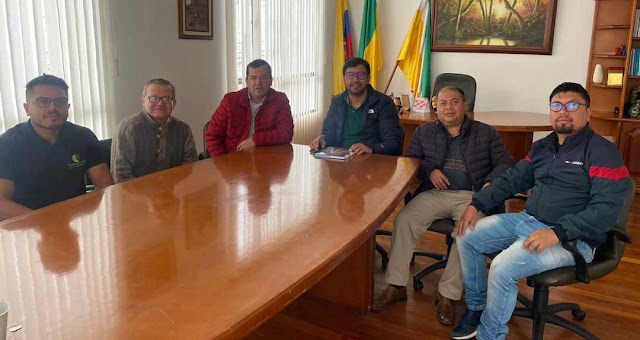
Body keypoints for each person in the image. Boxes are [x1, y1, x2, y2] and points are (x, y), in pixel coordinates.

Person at [450, 82, 630, 340]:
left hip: (572, 239)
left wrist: (558, 233)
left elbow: (606, 211)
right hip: (528, 220)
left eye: (572, 106)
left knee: (502, 267)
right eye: (556, 106)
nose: (563, 111)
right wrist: (476, 203)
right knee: (465, 235)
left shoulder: (602, 152)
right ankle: (477, 307)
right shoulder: (543, 146)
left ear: (588, 113)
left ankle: (490, 335)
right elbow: (512, 179)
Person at [372, 86, 514, 326]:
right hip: (435, 193)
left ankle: (447, 295)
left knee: (466, 232)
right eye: (444, 102)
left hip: (472, 195)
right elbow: (411, 160)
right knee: (404, 220)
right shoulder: (424, 131)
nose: (449, 107)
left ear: (464, 105)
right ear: (436, 106)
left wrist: (490, 182)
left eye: (455, 102)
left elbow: (507, 163)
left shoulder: (485, 132)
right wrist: (431, 170)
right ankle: (396, 285)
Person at [0, 74, 113, 220]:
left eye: (60, 101)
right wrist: (46, 222)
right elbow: (2, 203)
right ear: (27, 108)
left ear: (68, 107)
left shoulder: (83, 136)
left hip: (75, 221)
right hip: (27, 225)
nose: (52, 108)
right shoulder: (8, 144)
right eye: (42, 102)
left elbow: (104, 184)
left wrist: (91, 216)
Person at [111, 78, 197, 183]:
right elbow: (121, 176)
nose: (160, 103)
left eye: (166, 99)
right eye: (153, 98)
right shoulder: (128, 130)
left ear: (173, 103)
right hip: (135, 195)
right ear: (143, 101)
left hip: (173, 192)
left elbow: (189, 166)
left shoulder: (183, 129)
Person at [310, 58, 402, 156]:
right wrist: (322, 139)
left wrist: (371, 148)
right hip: (340, 161)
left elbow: (393, 142)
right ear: (344, 78)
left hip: (371, 161)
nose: (355, 80)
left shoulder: (383, 103)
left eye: (361, 75)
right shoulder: (337, 101)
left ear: (368, 79)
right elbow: (328, 131)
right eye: (350, 75)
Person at [205, 59, 294, 156]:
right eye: (253, 78)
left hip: (267, 161)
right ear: (247, 81)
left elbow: (286, 133)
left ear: (271, 81)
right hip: (234, 162)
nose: (258, 83)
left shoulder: (280, 100)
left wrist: (255, 140)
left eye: (263, 77)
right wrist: (223, 163)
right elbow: (212, 136)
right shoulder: (230, 101)